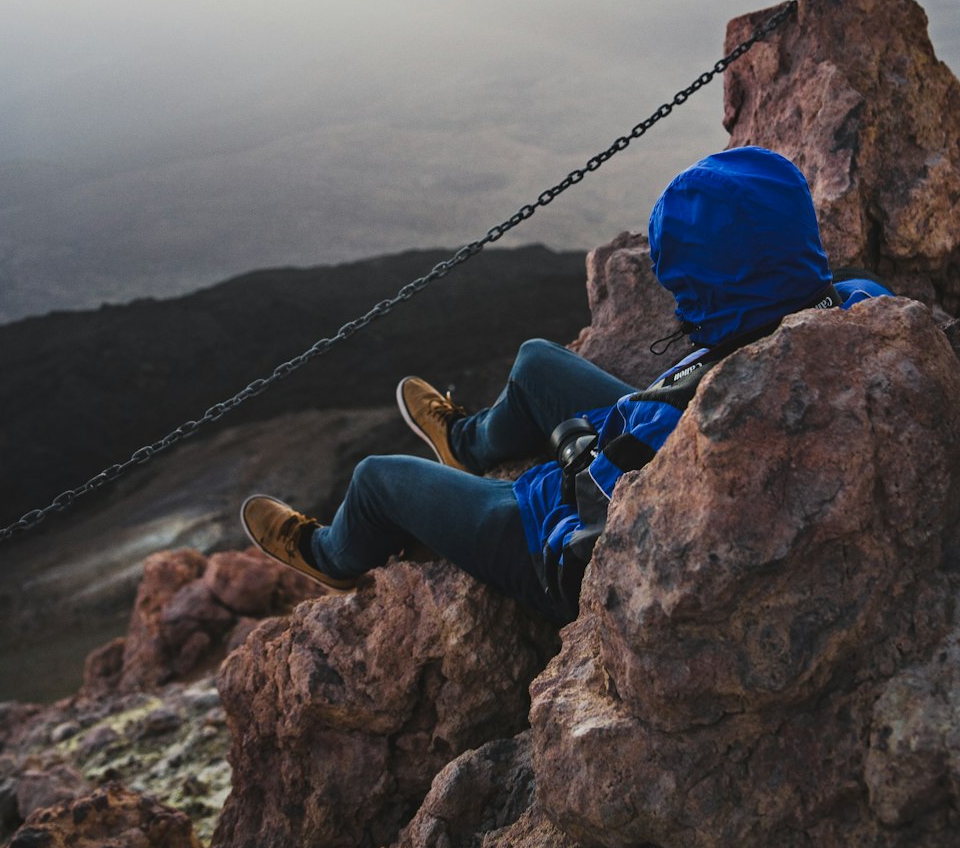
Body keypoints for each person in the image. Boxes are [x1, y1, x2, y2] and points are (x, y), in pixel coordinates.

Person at [240, 147, 892, 624]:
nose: (679, 304)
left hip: (544, 538)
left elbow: (604, 521)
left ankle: (330, 556)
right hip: (662, 415)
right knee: (535, 362)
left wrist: (579, 451)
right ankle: (468, 443)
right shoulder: (853, 305)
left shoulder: (674, 428)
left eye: (686, 290)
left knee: (378, 479)